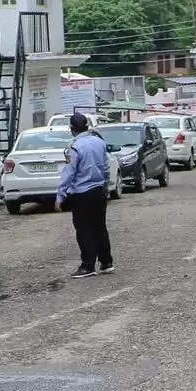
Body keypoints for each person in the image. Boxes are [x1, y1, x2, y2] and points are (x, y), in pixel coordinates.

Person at [55, 113, 114, 279]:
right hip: (98, 191)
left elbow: (68, 173)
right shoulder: (100, 143)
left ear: (72, 129)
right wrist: (106, 188)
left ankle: (88, 266)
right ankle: (106, 262)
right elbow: (106, 168)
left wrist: (60, 196)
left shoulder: (74, 147)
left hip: (82, 194)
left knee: (84, 229)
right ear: (87, 126)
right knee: (100, 227)